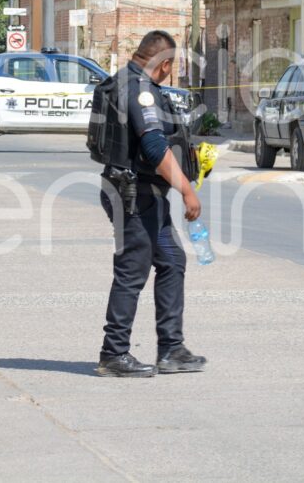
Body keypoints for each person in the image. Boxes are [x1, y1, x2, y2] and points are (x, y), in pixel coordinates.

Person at [95, 30, 206, 378]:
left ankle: (171, 349)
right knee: (132, 272)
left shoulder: (125, 81)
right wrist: (187, 190)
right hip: (133, 195)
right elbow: (155, 149)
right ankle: (114, 354)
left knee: (172, 260)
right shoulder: (139, 90)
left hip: (142, 193)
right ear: (165, 64)